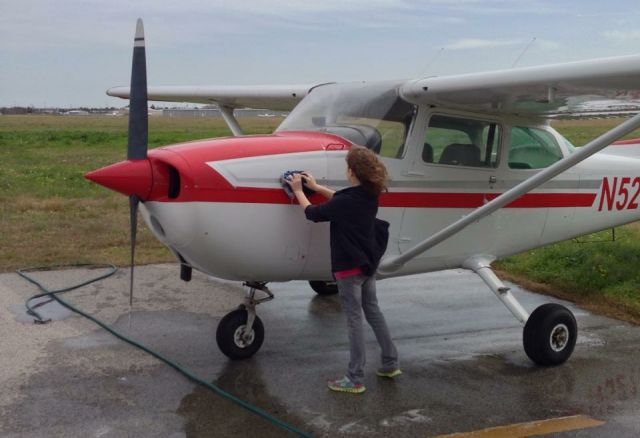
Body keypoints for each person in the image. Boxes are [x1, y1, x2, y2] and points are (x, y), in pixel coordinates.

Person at [287, 146, 400, 395]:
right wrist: (316, 188)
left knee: (353, 320)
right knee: (373, 311)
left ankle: (355, 377)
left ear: (352, 172)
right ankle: (390, 363)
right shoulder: (369, 194)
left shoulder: (349, 200)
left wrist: (298, 191)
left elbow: (312, 213)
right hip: (367, 263)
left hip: (349, 268)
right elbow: (339, 198)